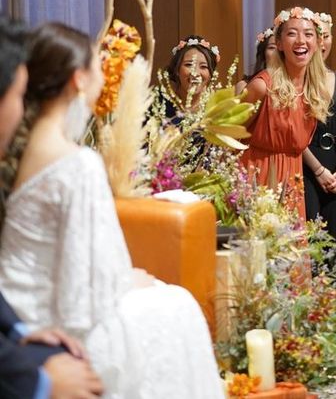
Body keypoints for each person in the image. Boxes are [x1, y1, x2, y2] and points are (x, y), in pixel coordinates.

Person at [0, 22, 224, 398]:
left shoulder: (20, 150)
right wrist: (126, 281)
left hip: (16, 303)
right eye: (98, 67)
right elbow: (82, 291)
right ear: (78, 79)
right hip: (50, 317)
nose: (104, 78)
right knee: (179, 307)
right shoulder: (77, 163)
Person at [0, 17, 103, 399]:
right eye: (17, 94)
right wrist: (39, 382)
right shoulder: (78, 163)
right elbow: (85, 283)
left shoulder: (25, 153)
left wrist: (18, 330)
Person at [241, 7, 331, 220]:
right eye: (292, 33)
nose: (301, 40)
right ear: (279, 43)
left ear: (318, 43)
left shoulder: (314, 91)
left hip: (292, 182)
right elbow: (229, 136)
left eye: (308, 34)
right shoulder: (262, 86)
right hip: (257, 181)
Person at [302, 13, 336, 245]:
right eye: (317, 35)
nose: (322, 42)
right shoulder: (295, 80)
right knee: (311, 238)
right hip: (305, 166)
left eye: (327, 36)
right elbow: (291, 133)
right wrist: (318, 171)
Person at [154, 35, 220, 125]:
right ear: (177, 69)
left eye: (203, 66)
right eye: (189, 65)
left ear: (211, 74)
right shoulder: (159, 104)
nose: (195, 73)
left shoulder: (218, 108)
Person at [235, 27, 277, 94]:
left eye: (281, 47)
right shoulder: (244, 85)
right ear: (263, 54)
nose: (277, 52)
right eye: (272, 47)